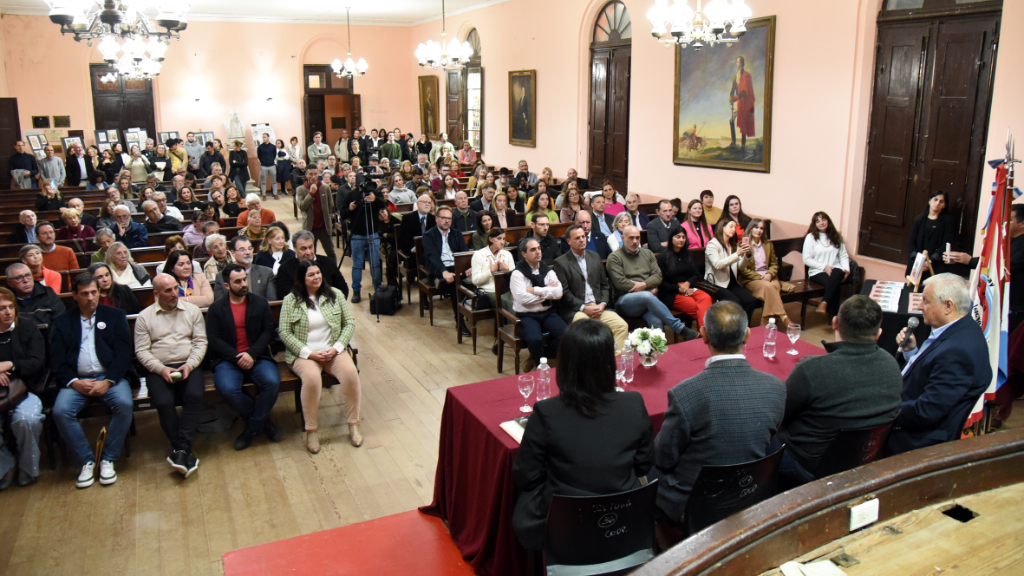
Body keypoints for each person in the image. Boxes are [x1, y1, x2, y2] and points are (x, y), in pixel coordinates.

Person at [512, 319, 653, 550]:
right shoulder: (634, 403)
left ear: (566, 363)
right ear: (609, 362)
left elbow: (526, 475)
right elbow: (644, 465)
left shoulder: (547, 412)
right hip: (623, 519)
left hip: (564, 525)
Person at [650, 300, 785, 532]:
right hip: (750, 492)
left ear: (703, 334)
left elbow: (662, 459)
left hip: (696, 504)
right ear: (747, 336)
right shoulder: (776, 387)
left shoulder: (685, 393)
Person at [776, 296, 902, 485]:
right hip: (864, 461)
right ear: (878, 334)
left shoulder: (812, 369)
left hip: (808, 465)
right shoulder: (892, 365)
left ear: (835, 323)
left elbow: (780, 416)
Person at [888, 273, 992, 455]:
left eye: (926, 301)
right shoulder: (961, 328)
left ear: (948, 306)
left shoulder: (958, 352)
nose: (920, 307)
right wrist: (912, 352)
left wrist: (883, 411)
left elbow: (926, 411)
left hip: (914, 442)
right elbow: (932, 370)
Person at [50, 275, 135, 489]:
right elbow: (57, 360)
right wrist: (73, 381)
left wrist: (108, 381)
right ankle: (87, 460)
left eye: (94, 292)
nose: (90, 297)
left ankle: (108, 459)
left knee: (124, 405)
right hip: (77, 381)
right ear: (74, 296)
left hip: (109, 378)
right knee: (60, 411)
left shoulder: (115, 316)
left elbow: (124, 354)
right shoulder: (62, 321)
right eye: (85, 293)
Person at [280, 260, 363, 453]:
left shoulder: (335, 294)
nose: (317, 277)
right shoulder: (291, 300)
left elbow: (349, 323)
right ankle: (311, 431)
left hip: (332, 350)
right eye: (311, 275)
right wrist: (309, 353)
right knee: (311, 379)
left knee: (351, 374)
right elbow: (284, 332)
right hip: (305, 354)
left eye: (318, 273)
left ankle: (354, 424)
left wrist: (336, 348)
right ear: (302, 279)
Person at [135, 274, 208, 478]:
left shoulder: (192, 311)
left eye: (176, 288)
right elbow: (142, 351)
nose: (174, 293)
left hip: (188, 365)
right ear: (156, 294)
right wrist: (161, 369)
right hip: (159, 368)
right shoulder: (145, 317)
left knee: (194, 396)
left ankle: (180, 449)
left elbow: (200, 342)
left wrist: (190, 365)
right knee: (164, 401)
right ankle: (183, 449)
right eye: (168, 290)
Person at [207, 264, 281, 451]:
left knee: (272, 382)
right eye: (237, 281)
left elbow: (267, 331)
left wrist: (251, 354)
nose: (243, 284)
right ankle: (263, 422)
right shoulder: (216, 309)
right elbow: (214, 339)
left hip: (257, 355)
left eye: (244, 280)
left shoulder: (259, 303)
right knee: (228, 388)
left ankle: (252, 428)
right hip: (228, 359)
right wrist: (236, 356)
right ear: (226, 285)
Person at [607, 226, 699, 340]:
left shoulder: (647, 254)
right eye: (631, 238)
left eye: (637, 238)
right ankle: (679, 328)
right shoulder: (615, 257)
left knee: (657, 324)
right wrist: (647, 288)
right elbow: (621, 283)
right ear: (622, 238)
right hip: (625, 301)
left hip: (648, 302)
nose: (635, 241)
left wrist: (645, 284)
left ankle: (659, 356)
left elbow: (658, 276)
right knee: (647, 296)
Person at [554, 225, 629, 353]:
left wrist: (603, 304)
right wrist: (584, 308)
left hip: (598, 307)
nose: (582, 240)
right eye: (577, 238)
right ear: (568, 241)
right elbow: (565, 294)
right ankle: (590, 366)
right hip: (576, 310)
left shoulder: (594, 256)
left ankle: (615, 362)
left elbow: (604, 285)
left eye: (583, 237)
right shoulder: (561, 262)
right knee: (586, 332)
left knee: (622, 326)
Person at [0, 288, 47, 490]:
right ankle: (6, 465)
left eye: (11, 307)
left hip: (26, 389)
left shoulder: (27, 326)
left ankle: (27, 467)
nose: (8, 312)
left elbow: (38, 362)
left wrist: (11, 365)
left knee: (26, 420)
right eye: (2, 308)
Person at [511, 237, 567, 370]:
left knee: (567, 334)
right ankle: (541, 367)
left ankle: (542, 356)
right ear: (524, 254)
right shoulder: (517, 274)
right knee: (535, 339)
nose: (538, 252)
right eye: (533, 250)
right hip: (526, 315)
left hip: (547, 312)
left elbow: (559, 293)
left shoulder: (547, 270)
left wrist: (535, 290)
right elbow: (523, 299)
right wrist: (547, 290)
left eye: (539, 248)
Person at [423, 207, 471, 333]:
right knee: (456, 285)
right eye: (443, 218)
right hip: (439, 267)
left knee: (461, 278)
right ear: (437, 219)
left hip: (456, 266)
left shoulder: (456, 233)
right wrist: (444, 272)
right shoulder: (429, 235)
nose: (447, 221)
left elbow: (464, 250)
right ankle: (459, 321)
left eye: (449, 218)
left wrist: (469, 265)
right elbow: (432, 256)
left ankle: (455, 278)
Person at [656, 224, 714, 329]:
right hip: (672, 292)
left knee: (706, 298)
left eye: (683, 237)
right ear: (671, 238)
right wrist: (679, 288)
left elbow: (696, 274)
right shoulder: (662, 257)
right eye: (678, 237)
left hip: (689, 287)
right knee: (696, 307)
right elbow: (661, 283)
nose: (681, 240)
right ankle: (706, 334)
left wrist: (687, 284)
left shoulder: (688, 254)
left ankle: (704, 333)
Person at [341, 177, 385, 303]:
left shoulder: (376, 193)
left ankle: (378, 289)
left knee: (375, 263)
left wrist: (375, 199)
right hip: (357, 235)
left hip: (373, 233)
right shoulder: (352, 195)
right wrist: (350, 209)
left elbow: (384, 205)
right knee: (357, 265)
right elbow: (343, 214)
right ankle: (356, 291)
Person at [739, 219, 790, 328]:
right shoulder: (743, 245)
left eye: (761, 228)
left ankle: (764, 326)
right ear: (751, 228)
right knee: (769, 288)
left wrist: (770, 274)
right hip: (753, 279)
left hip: (769, 277)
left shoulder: (768, 245)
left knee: (771, 287)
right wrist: (760, 277)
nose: (759, 230)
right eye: (756, 227)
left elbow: (774, 264)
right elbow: (743, 270)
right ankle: (784, 317)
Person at [705, 219, 758, 322]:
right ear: (722, 227)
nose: (733, 229)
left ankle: (743, 327)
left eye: (735, 227)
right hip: (716, 283)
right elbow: (717, 264)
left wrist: (747, 256)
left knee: (750, 300)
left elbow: (740, 267)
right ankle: (733, 330)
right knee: (735, 303)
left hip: (731, 281)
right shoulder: (713, 244)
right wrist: (737, 254)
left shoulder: (732, 245)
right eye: (731, 226)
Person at [803, 211, 851, 320]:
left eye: (823, 219)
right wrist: (824, 267)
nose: (821, 223)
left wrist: (846, 270)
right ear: (814, 224)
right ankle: (835, 318)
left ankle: (824, 303)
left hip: (836, 271)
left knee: (838, 273)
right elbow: (807, 259)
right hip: (817, 271)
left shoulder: (835, 236)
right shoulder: (811, 237)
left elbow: (843, 255)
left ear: (828, 221)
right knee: (835, 283)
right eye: (818, 221)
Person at [275, 230, 348, 300]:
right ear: (294, 248)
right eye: (303, 249)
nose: (308, 252)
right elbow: (285, 295)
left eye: (310, 247)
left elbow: (343, 289)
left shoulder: (328, 263)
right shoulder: (285, 268)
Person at [906, 190, 956, 278]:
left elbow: (946, 244)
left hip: (936, 265)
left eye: (941, 201)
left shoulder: (947, 222)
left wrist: (930, 262)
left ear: (944, 205)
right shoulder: (920, 219)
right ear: (930, 201)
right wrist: (918, 261)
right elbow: (911, 240)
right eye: (935, 200)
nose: (937, 203)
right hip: (917, 264)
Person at [213, 236, 277, 301]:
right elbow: (220, 305)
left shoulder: (266, 273)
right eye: (242, 249)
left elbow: (271, 301)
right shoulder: (221, 277)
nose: (247, 252)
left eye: (249, 248)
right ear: (233, 253)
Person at [730, 56, 756, 151]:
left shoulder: (746, 75)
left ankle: (743, 145)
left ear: (742, 63)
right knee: (731, 120)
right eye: (737, 62)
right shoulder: (735, 76)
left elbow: (745, 91)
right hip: (738, 102)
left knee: (744, 123)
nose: (737, 64)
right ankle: (733, 142)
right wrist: (731, 96)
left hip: (744, 102)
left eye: (738, 62)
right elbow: (733, 89)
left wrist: (735, 98)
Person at [256, 133, 278, 199]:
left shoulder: (273, 146)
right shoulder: (260, 147)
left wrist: (271, 160)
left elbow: (274, 155)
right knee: (263, 181)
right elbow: (259, 156)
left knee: (274, 181)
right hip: (264, 166)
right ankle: (264, 195)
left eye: (265, 137)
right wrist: (262, 161)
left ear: (268, 137)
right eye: (263, 137)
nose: (264, 138)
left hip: (272, 165)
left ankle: (275, 194)